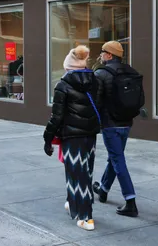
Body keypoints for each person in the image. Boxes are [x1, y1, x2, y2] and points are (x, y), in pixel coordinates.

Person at [43, 45, 101, 231]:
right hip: (90, 135)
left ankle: (86, 217)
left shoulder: (63, 85)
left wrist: (48, 137)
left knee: (76, 173)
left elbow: (56, 117)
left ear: (69, 67)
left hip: (72, 136)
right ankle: (72, 201)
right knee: (86, 172)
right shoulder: (94, 81)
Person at [92, 41, 144, 217]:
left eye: (102, 52)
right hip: (127, 122)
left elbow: (96, 102)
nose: (100, 55)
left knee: (117, 160)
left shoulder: (101, 73)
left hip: (110, 125)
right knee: (115, 157)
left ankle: (131, 201)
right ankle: (104, 189)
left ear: (109, 55)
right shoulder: (131, 71)